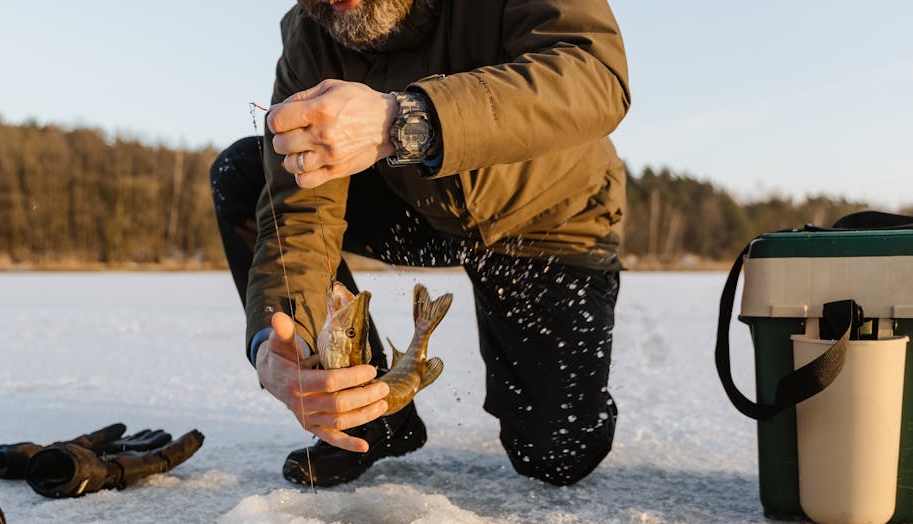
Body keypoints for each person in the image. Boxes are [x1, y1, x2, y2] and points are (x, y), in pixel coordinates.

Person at [212, 0, 630, 488]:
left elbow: (594, 73)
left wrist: (405, 119)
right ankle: (374, 419)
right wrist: (280, 339)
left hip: (548, 226)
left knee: (557, 457)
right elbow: (300, 215)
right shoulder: (310, 36)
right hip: (418, 211)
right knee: (246, 173)